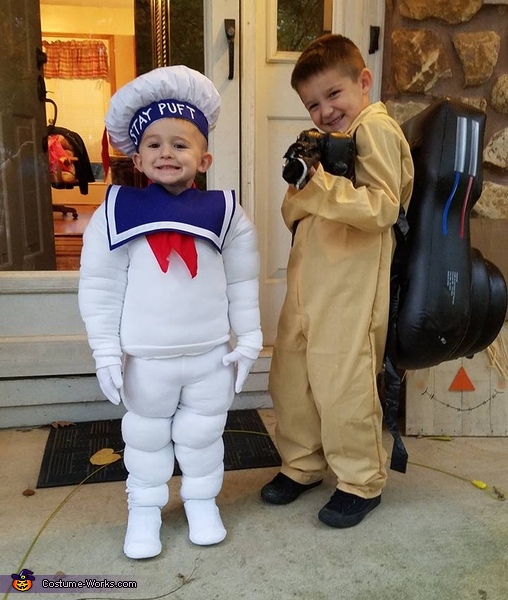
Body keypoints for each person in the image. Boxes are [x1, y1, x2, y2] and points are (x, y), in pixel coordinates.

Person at [79, 65, 262, 559]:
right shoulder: (116, 211)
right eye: (154, 144)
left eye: (180, 145)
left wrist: (248, 338)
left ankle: (202, 501)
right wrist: (104, 350)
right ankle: (144, 509)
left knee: (204, 434)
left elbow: (243, 282)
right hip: (146, 359)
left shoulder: (226, 213)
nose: (166, 153)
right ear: (136, 157)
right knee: (145, 434)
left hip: (208, 355)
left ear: (203, 158)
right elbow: (99, 285)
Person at [261, 34, 414, 527]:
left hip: (352, 286)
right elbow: (291, 211)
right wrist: (307, 182)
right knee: (292, 376)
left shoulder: (376, 128)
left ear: (363, 81)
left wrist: (318, 186)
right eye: (312, 104)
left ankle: (360, 479)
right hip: (308, 281)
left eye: (334, 95)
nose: (325, 111)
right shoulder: (324, 146)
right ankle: (302, 464)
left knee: (343, 381)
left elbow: (382, 207)